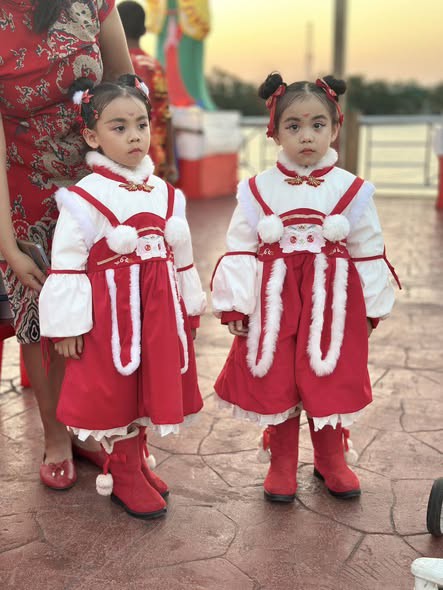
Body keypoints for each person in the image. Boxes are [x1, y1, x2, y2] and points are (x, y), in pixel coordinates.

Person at [211, 72, 400, 503]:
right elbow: (240, 246)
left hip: (332, 303)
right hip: (273, 303)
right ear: (274, 132)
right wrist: (237, 305)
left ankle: (331, 459)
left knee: (327, 375)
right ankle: (281, 462)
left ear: (335, 128)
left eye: (318, 124)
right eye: (293, 126)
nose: (307, 136)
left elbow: (368, 248)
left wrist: (371, 309)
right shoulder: (257, 189)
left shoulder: (351, 189)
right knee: (277, 377)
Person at [38, 74, 206, 518]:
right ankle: (124, 470)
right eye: (119, 127)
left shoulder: (166, 193)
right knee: (118, 392)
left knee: (149, 387)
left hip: (159, 315)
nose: (134, 136)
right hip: (111, 321)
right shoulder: (83, 198)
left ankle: (137, 460)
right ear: (92, 136)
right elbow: (68, 263)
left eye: (141, 124)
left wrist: (188, 309)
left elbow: (182, 255)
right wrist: (68, 326)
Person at [0, 0, 135, 491]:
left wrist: (133, 184)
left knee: (99, 311)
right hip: (25, 189)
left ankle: (86, 426)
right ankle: (56, 436)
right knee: (39, 316)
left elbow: (125, 87)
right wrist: (8, 247)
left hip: (97, 182)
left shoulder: (92, 3)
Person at [117, 0, 178, 183]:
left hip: (123, 160)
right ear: (144, 29)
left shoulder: (113, 65)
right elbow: (166, 116)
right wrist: (171, 162)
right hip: (155, 161)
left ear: (115, 27)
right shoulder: (155, 66)